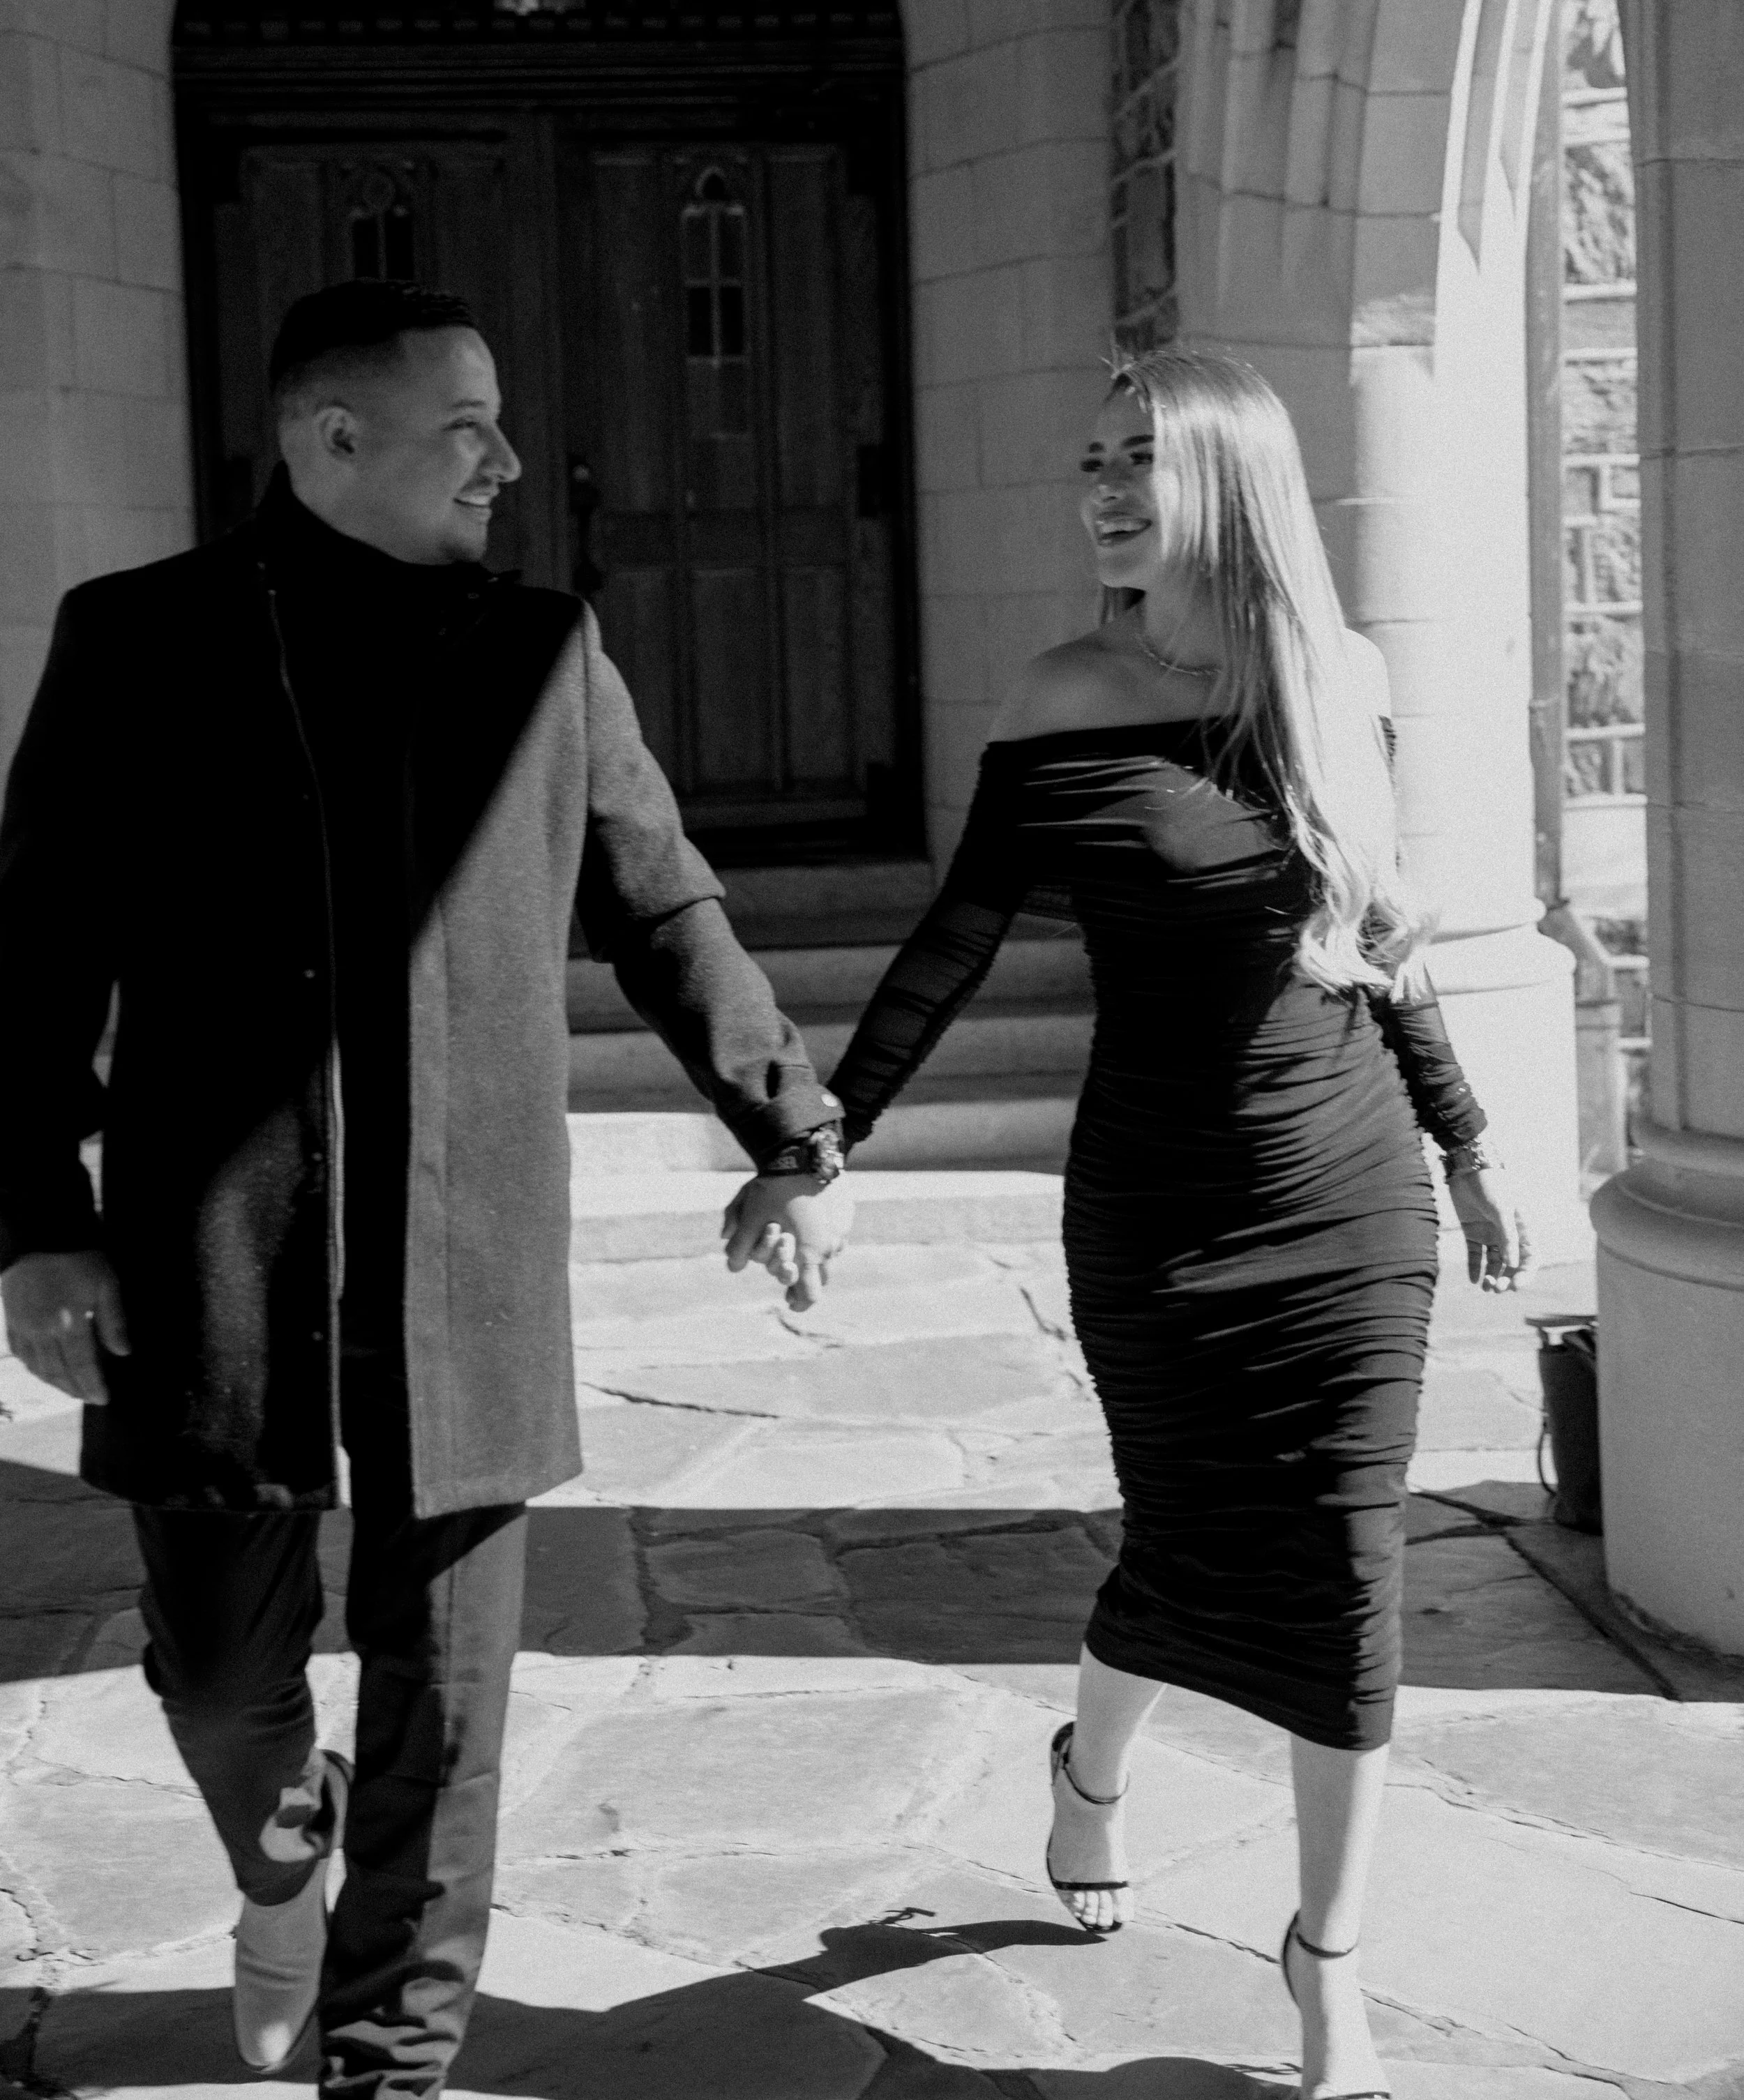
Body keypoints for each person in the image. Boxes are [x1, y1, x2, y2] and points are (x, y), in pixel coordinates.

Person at [0, 278, 850, 2098]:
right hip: (216, 1259)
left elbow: (662, 899)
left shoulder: (547, 650)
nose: (511, 459)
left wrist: (792, 1125)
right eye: (465, 425)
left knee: (446, 1698)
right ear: (329, 440)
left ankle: (392, 2054)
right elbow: (31, 957)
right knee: (221, 1675)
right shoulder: (134, 639)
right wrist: (37, 1218)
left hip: (460, 1264)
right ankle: (278, 1857)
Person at [827, 347, 1528, 2100]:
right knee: (1186, 1545)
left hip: (1344, 1191)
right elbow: (949, 946)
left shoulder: (1335, 678)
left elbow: (1380, 931)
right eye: (1090, 461)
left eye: (1141, 458)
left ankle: (1326, 1963)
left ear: (1232, 476)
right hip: (1154, 1206)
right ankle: (1090, 1770)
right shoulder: (1064, 695)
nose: (1104, 490)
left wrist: (1464, 1137)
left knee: (1347, 1567)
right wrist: (819, 1140)